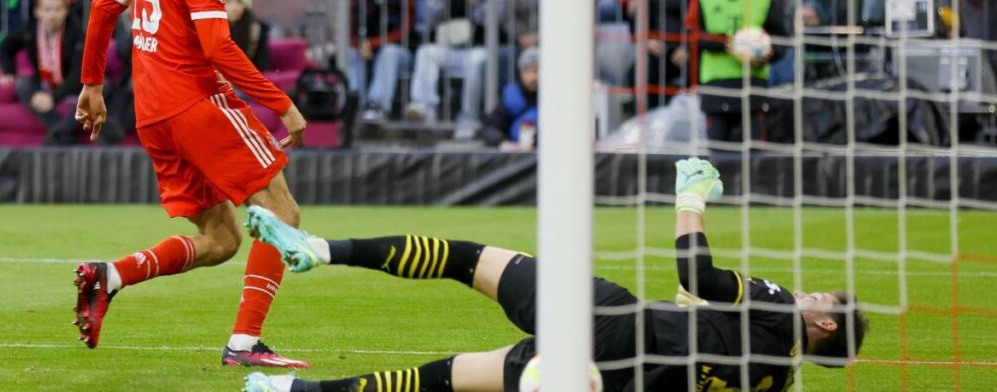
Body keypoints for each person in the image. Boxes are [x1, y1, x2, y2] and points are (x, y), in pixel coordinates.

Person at [242, 158, 868, 392]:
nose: (810, 290)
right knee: (449, 378)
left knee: (467, 259)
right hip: (601, 380)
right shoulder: (777, 380)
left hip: (610, 320)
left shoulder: (780, 306)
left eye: (823, 296)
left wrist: (691, 199)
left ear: (821, 320)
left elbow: (697, 273)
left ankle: (323, 249)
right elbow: (701, 339)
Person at [72, 0, 312, 369]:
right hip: (195, 103)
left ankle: (110, 276)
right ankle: (245, 344)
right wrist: (282, 103)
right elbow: (217, 48)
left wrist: (92, 85)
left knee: (222, 240)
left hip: (153, 115)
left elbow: (102, 7)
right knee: (282, 213)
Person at [688, 0, 787, 144]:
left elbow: (780, 37)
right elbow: (692, 34)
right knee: (717, 158)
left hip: (753, 85)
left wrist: (769, 53)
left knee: (754, 157)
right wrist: (728, 44)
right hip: (716, 84)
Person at [404, 0, 504, 139]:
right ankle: (424, 109)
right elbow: (428, 23)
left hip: (481, 49)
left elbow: (494, 20)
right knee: (426, 52)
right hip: (452, 49)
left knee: (476, 61)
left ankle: (468, 119)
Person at [0, 0, 86, 144]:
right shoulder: (29, 29)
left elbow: (79, 73)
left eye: (58, 9)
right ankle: (63, 134)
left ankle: (58, 134)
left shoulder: (76, 33)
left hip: (72, 85)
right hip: (44, 81)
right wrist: (9, 71)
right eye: (48, 9)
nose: (53, 15)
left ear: (66, 11)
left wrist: (53, 97)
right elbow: (5, 46)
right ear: (37, 12)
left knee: (103, 86)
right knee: (23, 85)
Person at [628, 0, 694, 111]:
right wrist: (647, 40)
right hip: (659, 51)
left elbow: (707, 22)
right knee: (642, 68)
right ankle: (643, 122)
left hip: (691, 52)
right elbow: (637, 20)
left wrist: (689, 46)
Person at [348, 0, 413, 122]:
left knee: (389, 52)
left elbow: (405, 30)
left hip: (400, 53)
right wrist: (359, 45)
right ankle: (353, 103)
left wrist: (373, 44)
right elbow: (347, 27)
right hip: (364, 49)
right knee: (350, 53)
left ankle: (377, 105)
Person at [481, 46, 536, 150]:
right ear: (521, 73)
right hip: (518, 153)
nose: (533, 77)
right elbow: (490, 128)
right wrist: (503, 143)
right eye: (528, 72)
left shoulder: (556, 99)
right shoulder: (513, 96)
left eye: (536, 71)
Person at [226, 0, 272, 71]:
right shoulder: (213, 29)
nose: (233, 7)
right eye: (228, 1)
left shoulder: (257, 29)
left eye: (239, 1)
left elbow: (262, 65)